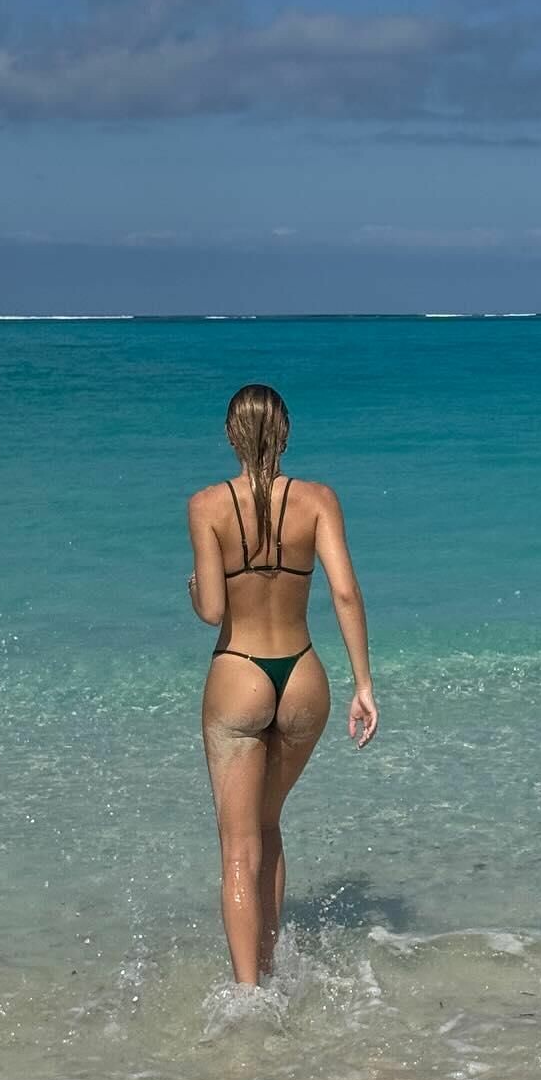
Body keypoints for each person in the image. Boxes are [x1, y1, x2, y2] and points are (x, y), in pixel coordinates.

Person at [186, 383, 378, 985]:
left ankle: (249, 998)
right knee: (268, 826)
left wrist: (193, 589)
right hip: (302, 675)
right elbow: (345, 592)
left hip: (239, 671)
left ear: (229, 436)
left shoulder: (206, 506)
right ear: (287, 433)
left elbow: (212, 611)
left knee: (238, 847)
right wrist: (363, 684)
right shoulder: (318, 500)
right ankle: (271, 974)